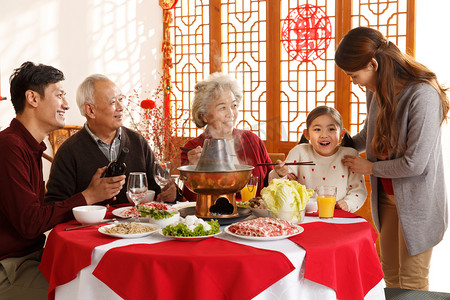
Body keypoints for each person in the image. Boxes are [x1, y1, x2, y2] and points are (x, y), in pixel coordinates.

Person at [335, 26, 449, 290]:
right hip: (385, 198)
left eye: (354, 75)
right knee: (391, 276)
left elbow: (414, 164)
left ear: (373, 64)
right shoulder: (375, 89)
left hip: (417, 201)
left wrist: (369, 167)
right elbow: (370, 134)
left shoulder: (423, 95)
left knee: (411, 281)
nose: (355, 82)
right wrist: (343, 144)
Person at [0, 62, 125, 299]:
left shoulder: (29, 147)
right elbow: (30, 223)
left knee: (110, 281)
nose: (67, 105)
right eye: (59, 95)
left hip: (33, 258)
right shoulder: (9, 147)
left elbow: (38, 212)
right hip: (9, 269)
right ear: (33, 99)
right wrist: (88, 196)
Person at [45, 74, 181, 205]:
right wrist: (88, 196)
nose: (121, 108)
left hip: (138, 226)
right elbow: (55, 204)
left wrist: (173, 192)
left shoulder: (137, 141)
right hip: (91, 227)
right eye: (113, 102)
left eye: (120, 100)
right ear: (90, 110)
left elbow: (161, 185)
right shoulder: (69, 151)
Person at [180, 73, 273, 201]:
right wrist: (194, 170)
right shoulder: (193, 148)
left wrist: (280, 173)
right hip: (213, 218)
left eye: (234, 106)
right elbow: (192, 199)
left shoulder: (252, 140)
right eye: (222, 107)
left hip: (254, 215)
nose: (230, 114)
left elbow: (271, 183)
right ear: (204, 115)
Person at [269, 106, 366, 213]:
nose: (324, 135)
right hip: (304, 215)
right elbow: (280, 186)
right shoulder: (299, 152)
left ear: (341, 134)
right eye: (317, 129)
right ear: (307, 134)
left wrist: (348, 203)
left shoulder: (350, 155)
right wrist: (280, 174)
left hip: (338, 215)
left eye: (331, 129)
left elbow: (358, 191)